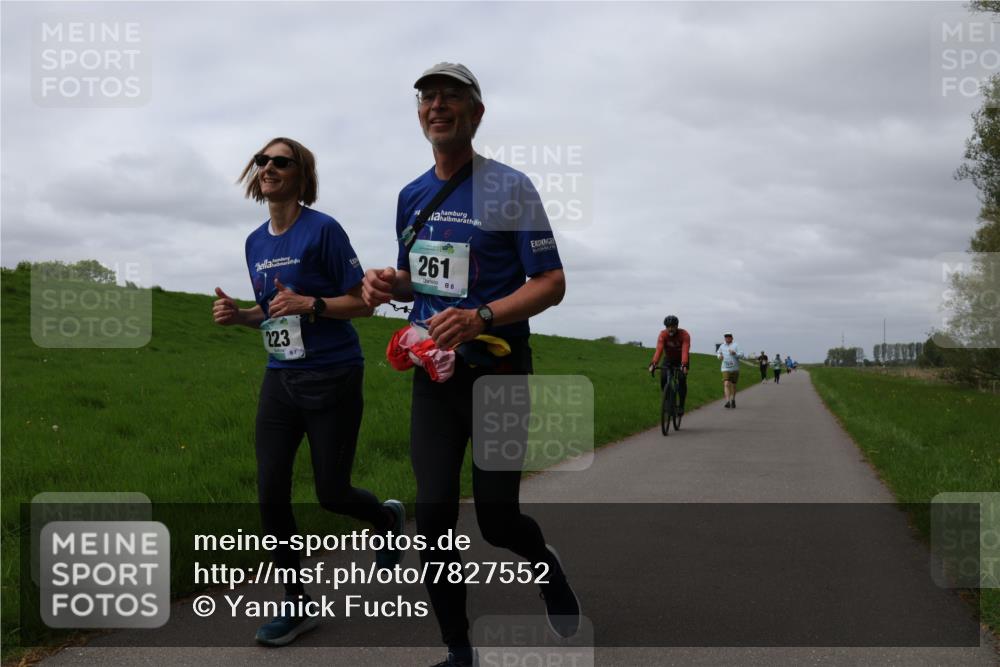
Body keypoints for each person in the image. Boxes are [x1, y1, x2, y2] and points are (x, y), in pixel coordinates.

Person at [361, 63, 579, 667]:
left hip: (500, 370)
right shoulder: (411, 195)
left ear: (475, 114)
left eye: (450, 97)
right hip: (436, 374)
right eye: (428, 97)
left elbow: (553, 282)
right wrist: (387, 282)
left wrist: (482, 317)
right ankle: (460, 651)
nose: (436, 105)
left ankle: (546, 566)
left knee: (498, 519)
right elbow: (420, 278)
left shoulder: (511, 187)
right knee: (431, 518)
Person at [213, 137, 405, 647]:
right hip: (281, 377)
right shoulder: (255, 242)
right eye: (262, 161)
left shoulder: (323, 231)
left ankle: (385, 518)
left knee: (332, 493)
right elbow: (273, 310)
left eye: (281, 161)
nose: (269, 168)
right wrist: (241, 316)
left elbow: (361, 304)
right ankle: (296, 602)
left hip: (334, 374)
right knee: (270, 491)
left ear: (302, 175)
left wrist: (313, 305)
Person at [647, 315, 691, 415]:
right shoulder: (663, 335)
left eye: (673, 326)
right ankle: (669, 401)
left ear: (677, 326)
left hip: (682, 359)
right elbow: (659, 349)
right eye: (668, 327)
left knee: (681, 379)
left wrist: (684, 364)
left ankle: (681, 406)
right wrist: (654, 363)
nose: (670, 329)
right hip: (669, 359)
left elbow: (685, 350)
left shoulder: (684, 335)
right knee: (663, 377)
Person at [717, 331, 742, 408]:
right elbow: (718, 353)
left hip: (735, 368)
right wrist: (719, 356)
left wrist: (735, 353)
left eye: (729, 336)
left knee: (734, 385)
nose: (727, 338)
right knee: (726, 383)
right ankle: (728, 401)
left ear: (732, 338)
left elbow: (742, 354)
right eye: (726, 337)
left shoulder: (736, 345)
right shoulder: (722, 346)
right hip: (725, 368)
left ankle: (733, 400)